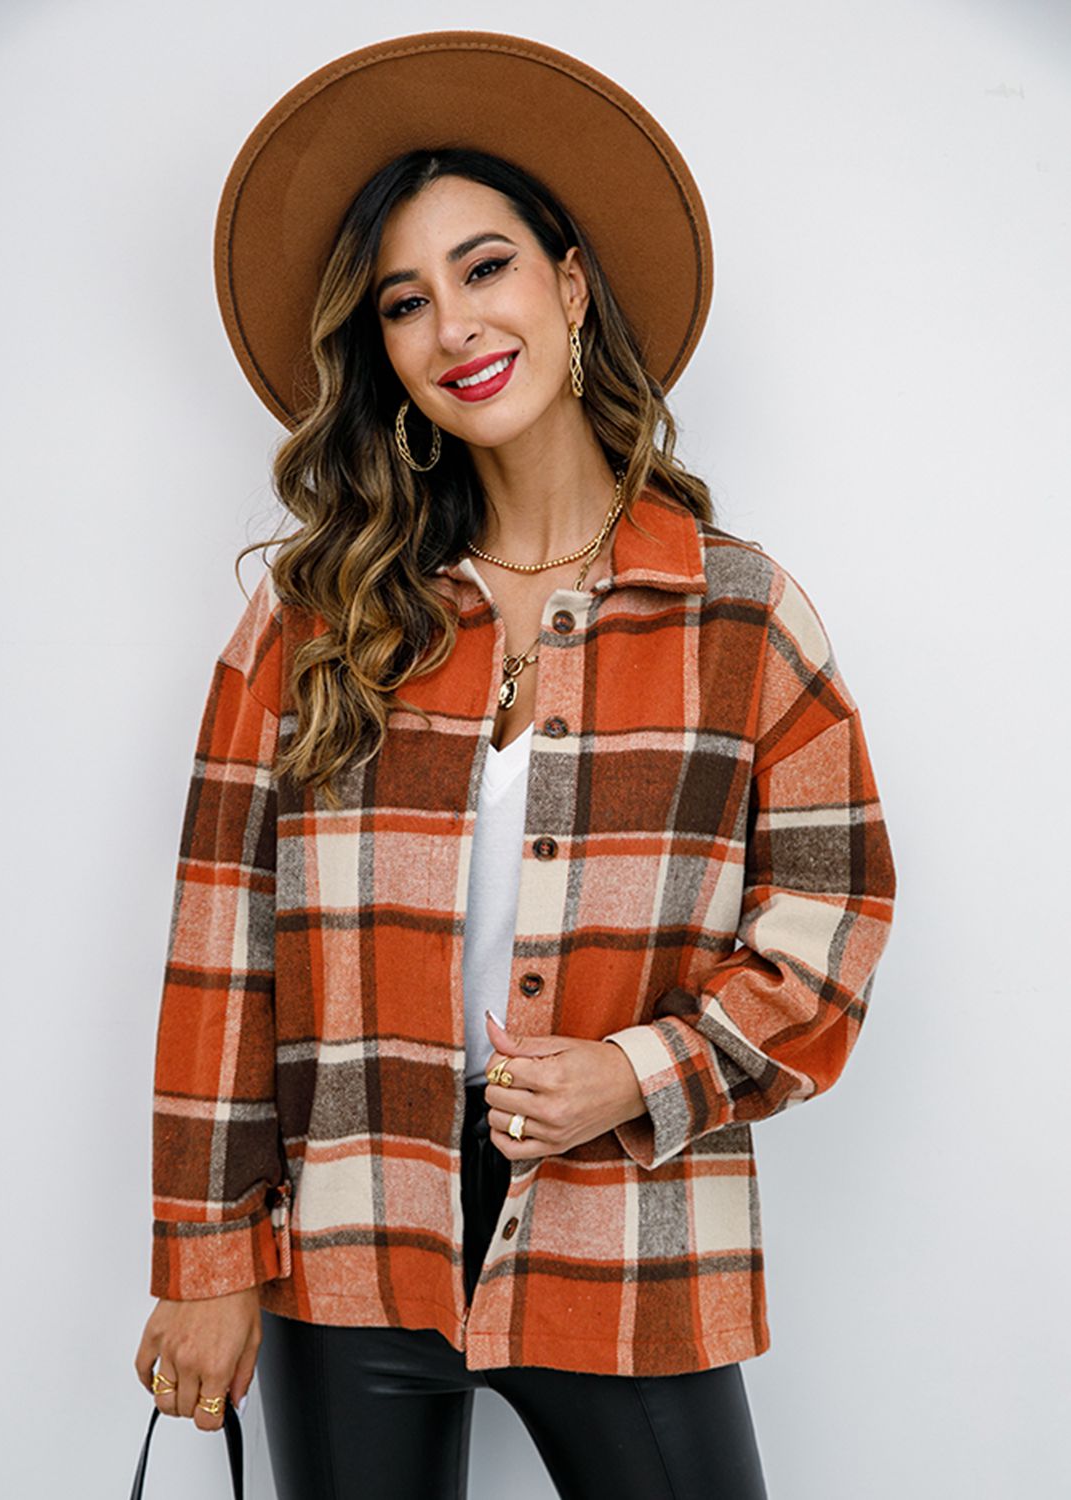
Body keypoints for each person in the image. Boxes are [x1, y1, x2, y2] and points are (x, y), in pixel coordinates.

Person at [133, 30, 896, 1499]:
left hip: (627, 1233)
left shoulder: (735, 613)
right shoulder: (313, 619)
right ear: (382, 350)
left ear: (571, 284)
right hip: (349, 1237)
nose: (452, 326)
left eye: (485, 268)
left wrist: (638, 1071)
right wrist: (205, 1256)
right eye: (404, 301)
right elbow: (222, 948)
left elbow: (835, 919)